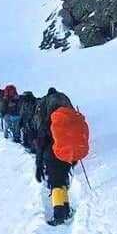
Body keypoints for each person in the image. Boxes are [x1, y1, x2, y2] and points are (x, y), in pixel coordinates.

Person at [35, 87, 74, 225]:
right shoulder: (65, 102)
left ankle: (58, 215)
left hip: (52, 151)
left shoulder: (45, 110)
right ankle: (66, 209)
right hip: (68, 149)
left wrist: (39, 163)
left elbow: (41, 139)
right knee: (62, 179)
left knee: (55, 182)